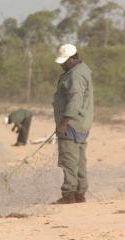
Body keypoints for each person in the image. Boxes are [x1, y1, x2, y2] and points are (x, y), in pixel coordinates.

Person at [53, 43, 94, 204]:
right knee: (79, 160)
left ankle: (68, 195)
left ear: (75, 58)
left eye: (66, 61)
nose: (63, 64)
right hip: (82, 122)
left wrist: (63, 123)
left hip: (71, 123)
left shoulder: (75, 75)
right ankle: (79, 194)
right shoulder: (83, 70)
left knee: (68, 160)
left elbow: (75, 100)